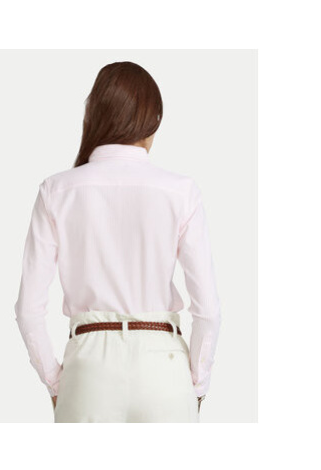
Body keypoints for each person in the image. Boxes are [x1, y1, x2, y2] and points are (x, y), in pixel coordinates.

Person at [14, 61, 221, 423]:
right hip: (164, 368)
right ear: (153, 120)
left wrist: (57, 383)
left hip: (88, 367)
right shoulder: (181, 191)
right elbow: (208, 311)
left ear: (94, 115)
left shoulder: (56, 190)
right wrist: (197, 384)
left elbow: (29, 309)